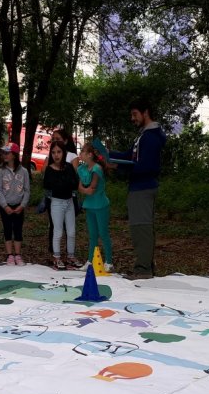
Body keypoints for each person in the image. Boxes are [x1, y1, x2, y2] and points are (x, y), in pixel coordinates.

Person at [110, 97, 165, 278]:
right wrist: (109, 155)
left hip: (143, 188)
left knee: (141, 228)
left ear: (145, 112)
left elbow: (147, 167)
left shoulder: (151, 137)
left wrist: (119, 167)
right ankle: (146, 266)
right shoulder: (144, 136)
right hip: (138, 187)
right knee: (140, 227)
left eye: (135, 114)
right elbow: (130, 156)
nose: (132, 118)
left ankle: (143, 269)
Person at [43, 141, 80, 270]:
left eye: (59, 152)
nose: (56, 155)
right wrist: (65, 183)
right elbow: (48, 185)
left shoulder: (69, 167)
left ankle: (71, 256)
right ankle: (57, 257)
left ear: (64, 153)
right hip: (57, 203)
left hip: (69, 202)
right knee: (58, 231)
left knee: (71, 231)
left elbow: (74, 183)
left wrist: (65, 183)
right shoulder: (49, 169)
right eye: (53, 152)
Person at [77, 142, 113, 271]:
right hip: (90, 205)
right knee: (92, 235)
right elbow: (80, 187)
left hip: (100, 205)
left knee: (103, 233)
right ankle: (90, 261)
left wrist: (84, 190)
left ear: (90, 155)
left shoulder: (97, 169)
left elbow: (91, 188)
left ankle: (109, 262)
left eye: (82, 151)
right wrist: (84, 189)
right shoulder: (83, 168)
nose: (80, 153)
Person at [0, 142, 30, 265]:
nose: (4, 155)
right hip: (5, 206)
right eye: (3, 153)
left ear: (14, 155)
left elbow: (27, 190)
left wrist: (22, 205)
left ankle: (18, 255)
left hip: (19, 206)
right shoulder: (0, 171)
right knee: (7, 229)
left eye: (7, 153)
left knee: (18, 229)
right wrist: (5, 206)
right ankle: (9, 255)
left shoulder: (24, 171)